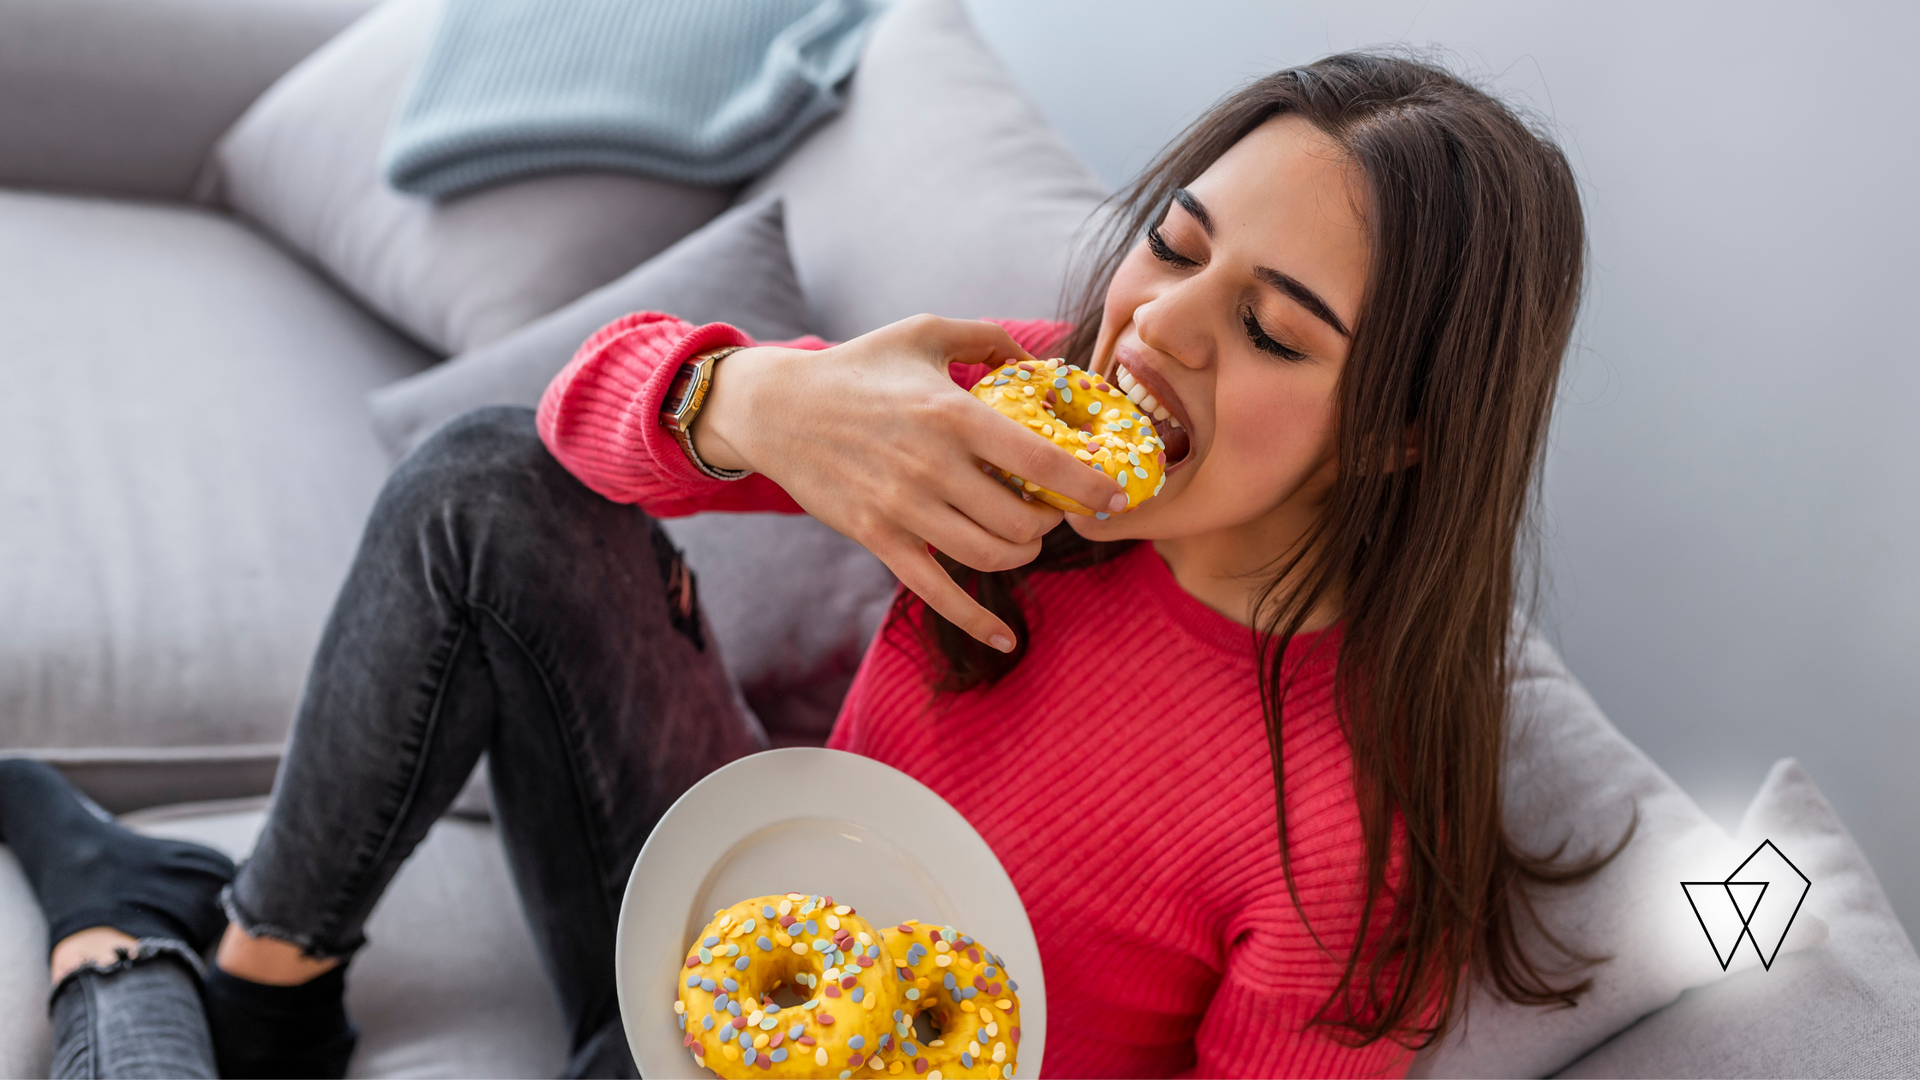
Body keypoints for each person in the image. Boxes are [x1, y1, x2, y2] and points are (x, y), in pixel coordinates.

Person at [1, 52, 1614, 1079]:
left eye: (1270, 330)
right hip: (707, 910)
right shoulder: (1027, 419)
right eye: (1175, 246)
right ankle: (270, 994)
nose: (1154, 332)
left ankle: (121, 939)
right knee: (484, 483)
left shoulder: (1341, 841)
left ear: (1401, 432)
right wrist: (758, 401)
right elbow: (562, 430)